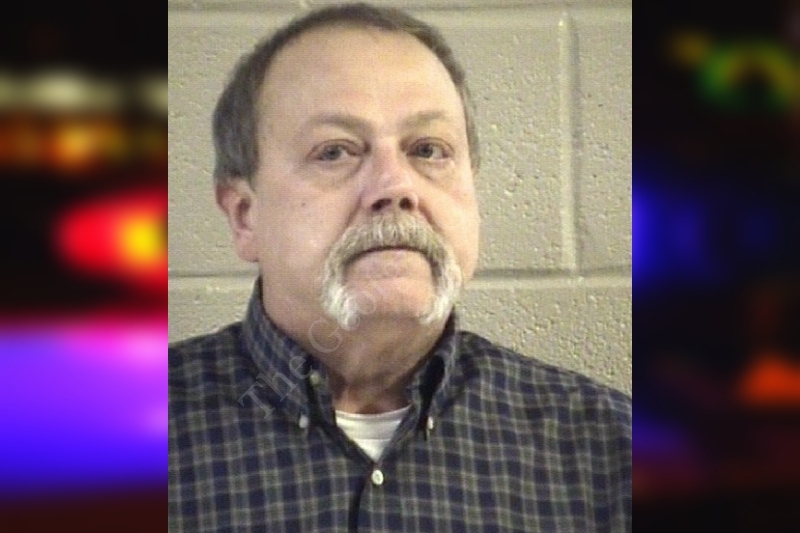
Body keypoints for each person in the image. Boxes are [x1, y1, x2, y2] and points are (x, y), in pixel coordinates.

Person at [169, 3, 631, 531]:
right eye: (335, 152)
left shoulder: (612, 453)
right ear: (244, 216)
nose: (396, 187)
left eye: (428, 149)